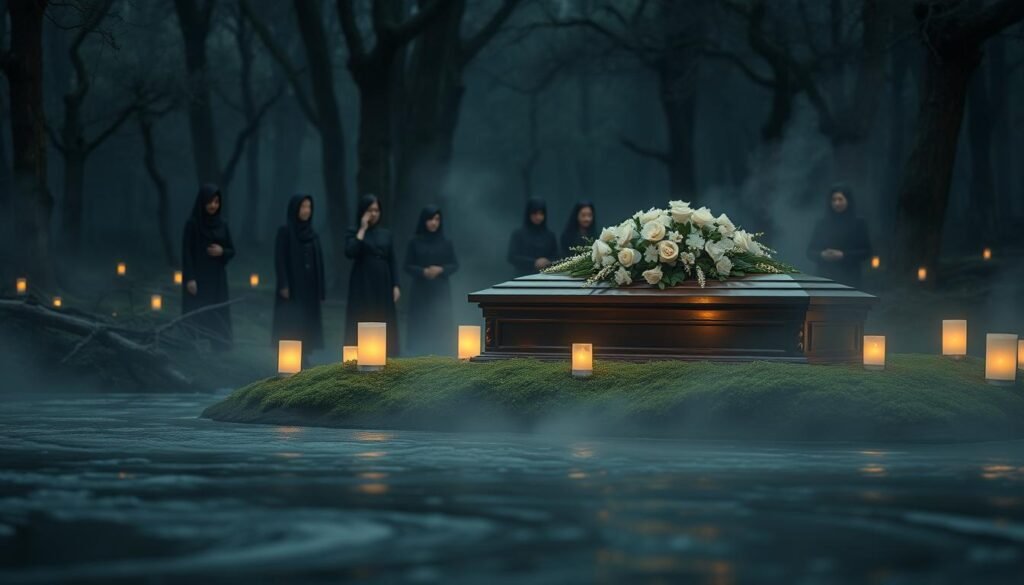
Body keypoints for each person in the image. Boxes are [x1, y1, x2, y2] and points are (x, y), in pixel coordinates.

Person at [271, 195, 325, 366]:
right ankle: (289, 358)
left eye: (309, 207)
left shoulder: (313, 234)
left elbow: (319, 262)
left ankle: (305, 354)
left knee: (307, 319)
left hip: (309, 287)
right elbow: (280, 259)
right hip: (292, 286)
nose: (306, 211)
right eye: (303, 207)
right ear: (295, 209)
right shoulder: (285, 232)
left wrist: (321, 288)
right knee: (291, 320)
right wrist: (284, 284)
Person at [344, 194, 401, 356]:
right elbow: (350, 252)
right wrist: (362, 229)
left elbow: (392, 260)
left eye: (376, 210)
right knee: (363, 314)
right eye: (370, 210)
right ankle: (360, 353)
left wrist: (396, 284)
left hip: (383, 279)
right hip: (362, 280)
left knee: (383, 316)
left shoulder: (386, 234)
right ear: (363, 211)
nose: (374, 214)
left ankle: (386, 353)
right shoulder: (353, 231)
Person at [181, 183, 235, 350]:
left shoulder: (222, 224)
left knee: (217, 310)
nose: (213, 205)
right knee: (198, 309)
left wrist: (221, 251)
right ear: (202, 202)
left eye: (216, 202)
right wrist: (190, 278)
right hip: (198, 277)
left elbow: (232, 250)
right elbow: (186, 252)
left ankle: (219, 345)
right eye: (210, 202)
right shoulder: (193, 224)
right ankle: (195, 345)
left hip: (217, 278)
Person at [404, 205, 459, 355]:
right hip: (420, 289)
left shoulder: (446, 242)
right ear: (424, 221)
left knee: (440, 320)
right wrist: (423, 271)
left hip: (440, 289)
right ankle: (418, 352)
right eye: (430, 219)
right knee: (420, 320)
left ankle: (441, 351)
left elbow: (454, 265)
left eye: (437, 219)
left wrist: (440, 269)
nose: (434, 223)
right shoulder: (414, 242)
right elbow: (407, 265)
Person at [806, 185, 872, 288]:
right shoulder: (822, 224)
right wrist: (822, 254)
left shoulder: (859, 223)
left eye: (840, 199)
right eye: (833, 200)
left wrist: (843, 255)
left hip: (850, 280)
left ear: (848, 200)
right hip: (824, 279)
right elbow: (810, 251)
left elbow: (867, 252)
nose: (837, 203)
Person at [507, 197, 559, 276]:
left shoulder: (550, 236)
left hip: (545, 278)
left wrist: (547, 262)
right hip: (522, 278)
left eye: (541, 213)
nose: (538, 217)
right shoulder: (518, 234)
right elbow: (512, 257)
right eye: (535, 213)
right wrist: (533, 262)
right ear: (529, 214)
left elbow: (556, 257)